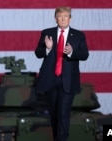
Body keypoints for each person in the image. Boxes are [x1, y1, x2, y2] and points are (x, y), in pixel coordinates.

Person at [34, 6, 89, 141]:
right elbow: (38, 53)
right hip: (50, 80)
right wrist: (47, 49)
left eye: (66, 16)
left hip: (68, 81)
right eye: (60, 16)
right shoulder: (47, 33)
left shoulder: (78, 35)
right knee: (54, 115)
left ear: (70, 18)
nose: (63, 19)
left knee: (63, 115)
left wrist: (71, 52)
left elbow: (84, 55)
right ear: (55, 18)